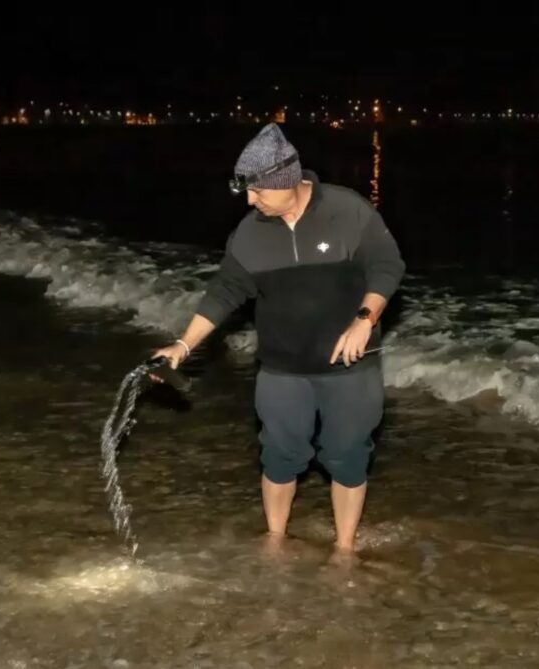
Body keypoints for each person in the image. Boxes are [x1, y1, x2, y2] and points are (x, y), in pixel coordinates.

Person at [152, 123, 404, 557]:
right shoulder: (249, 234)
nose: (250, 201)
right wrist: (183, 345)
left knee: (347, 456)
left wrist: (365, 318)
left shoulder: (347, 210)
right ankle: (274, 541)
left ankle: (344, 551)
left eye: (257, 191)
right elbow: (224, 292)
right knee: (279, 455)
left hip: (349, 368)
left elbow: (388, 265)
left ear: (286, 179)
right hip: (281, 369)